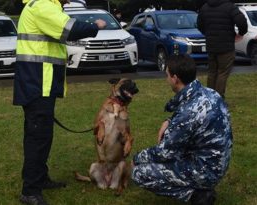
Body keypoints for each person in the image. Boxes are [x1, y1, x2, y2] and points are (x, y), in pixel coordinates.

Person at [13, 0, 106, 204]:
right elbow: (70, 29)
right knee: (38, 139)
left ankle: (40, 179)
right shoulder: (42, 6)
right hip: (38, 84)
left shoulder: (44, 6)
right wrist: (96, 26)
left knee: (42, 136)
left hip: (39, 83)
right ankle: (30, 191)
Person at [131, 54, 233, 205]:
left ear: (175, 78)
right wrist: (169, 121)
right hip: (219, 161)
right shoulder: (211, 93)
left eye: (167, 75)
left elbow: (165, 152)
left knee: (139, 173)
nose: (166, 79)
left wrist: (136, 158)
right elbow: (192, 121)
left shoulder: (188, 113)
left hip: (206, 170)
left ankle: (197, 196)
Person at [197, 0, 247, 98]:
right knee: (222, 72)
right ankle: (218, 98)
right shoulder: (230, 7)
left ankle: (209, 97)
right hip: (226, 46)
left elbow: (199, 25)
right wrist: (241, 33)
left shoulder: (205, 7)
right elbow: (241, 21)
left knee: (212, 72)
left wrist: (208, 34)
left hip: (211, 46)